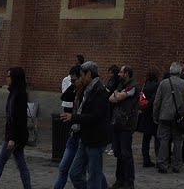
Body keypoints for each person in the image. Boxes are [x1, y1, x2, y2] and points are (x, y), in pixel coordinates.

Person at [0, 67, 33, 189]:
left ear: (15, 78)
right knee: (21, 165)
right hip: (16, 135)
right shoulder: (15, 92)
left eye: (9, 76)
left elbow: (18, 119)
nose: (6, 78)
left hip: (14, 136)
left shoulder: (18, 95)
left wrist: (11, 138)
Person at [68, 60, 111, 189]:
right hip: (85, 137)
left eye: (82, 75)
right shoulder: (88, 89)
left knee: (94, 175)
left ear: (89, 74)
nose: (81, 78)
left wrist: (74, 117)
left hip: (96, 139)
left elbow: (96, 116)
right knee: (74, 173)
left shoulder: (100, 91)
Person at [153, 61, 184, 174]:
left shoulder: (163, 83)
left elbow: (157, 102)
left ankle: (163, 164)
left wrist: (155, 116)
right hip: (178, 116)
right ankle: (177, 165)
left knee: (164, 140)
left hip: (164, 116)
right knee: (178, 141)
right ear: (180, 72)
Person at [53, 67, 85, 189]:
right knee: (63, 167)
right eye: (70, 80)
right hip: (74, 135)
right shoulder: (75, 91)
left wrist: (73, 117)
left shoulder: (89, 93)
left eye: (74, 80)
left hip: (85, 138)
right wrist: (73, 87)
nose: (72, 83)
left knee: (90, 171)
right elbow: (64, 97)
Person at [109, 65, 139, 189]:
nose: (119, 74)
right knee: (119, 153)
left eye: (121, 72)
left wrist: (117, 94)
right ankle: (120, 180)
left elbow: (118, 97)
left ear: (126, 74)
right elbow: (111, 99)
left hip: (127, 124)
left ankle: (129, 181)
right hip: (117, 122)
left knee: (126, 153)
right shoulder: (121, 85)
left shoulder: (133, 86)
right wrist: (117, 94)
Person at [137, 68, 160, 169]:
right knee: (157, 138)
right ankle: (159, 159)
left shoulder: (145, 85)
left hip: (145, 114)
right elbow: (155, 100)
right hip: (153, 115)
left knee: (146, 139)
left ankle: (146, 159)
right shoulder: (156, 85)